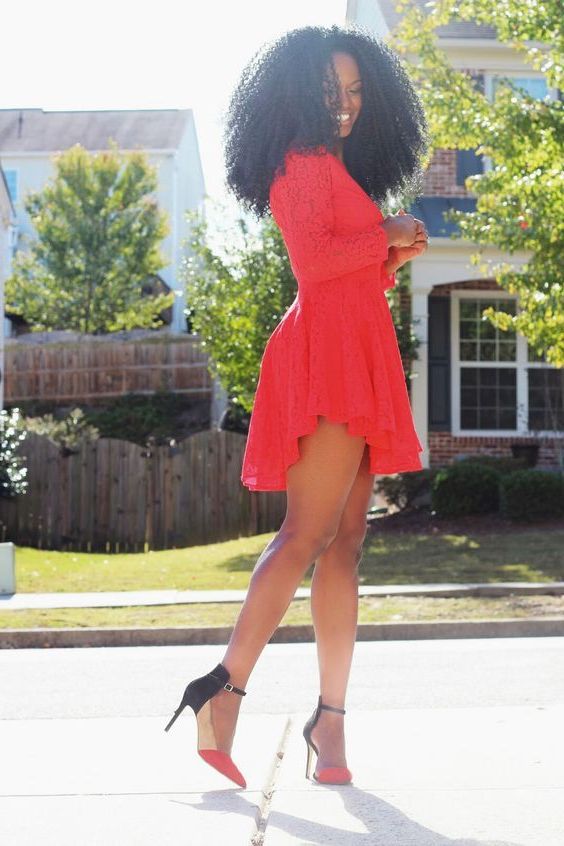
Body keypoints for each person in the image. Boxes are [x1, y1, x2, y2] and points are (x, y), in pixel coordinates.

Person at [164, 24, 430, 789]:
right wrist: (383, 233)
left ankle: (332, 721)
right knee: (306, 534)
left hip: (357, 346)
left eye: (354, 92)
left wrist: (389, 251)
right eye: (330, 92)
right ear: (297, 94)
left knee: (346, 544)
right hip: (327, 358)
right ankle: (224, 687)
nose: (344, 106)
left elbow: (346, 268)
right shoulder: (299, 161)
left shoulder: (339, 166)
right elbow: (314, 266)